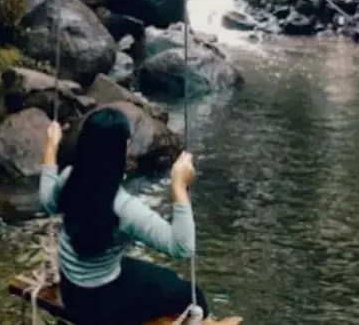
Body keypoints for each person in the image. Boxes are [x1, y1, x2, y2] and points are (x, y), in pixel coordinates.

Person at [39, 108, 242, 325]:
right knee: (191, 294)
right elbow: (183, 247)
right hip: (99, 306)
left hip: (71, 291)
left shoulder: (70, 179)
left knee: (166, 278)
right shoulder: (124, 208)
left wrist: (51, 146)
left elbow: (47, 202)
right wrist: (179, 187)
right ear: (123, 149)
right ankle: (209, 324)